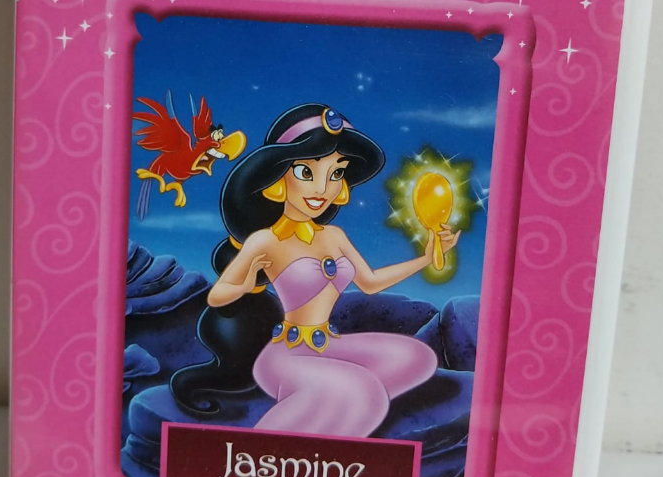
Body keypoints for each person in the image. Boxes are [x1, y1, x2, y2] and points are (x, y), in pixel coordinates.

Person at [170, 103, 457, 437]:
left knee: (418, 358)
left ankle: (325, 408)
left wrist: (426, 258)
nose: (322, 189)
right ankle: (268, 443)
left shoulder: (334, 236)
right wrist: (245, 283)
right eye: (307, 173)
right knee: (365, 391)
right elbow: (217, 297)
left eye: (335, 174)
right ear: (278, 180)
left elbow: (370, 283)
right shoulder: (265, 240)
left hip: (325, 344)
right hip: (284, 356)